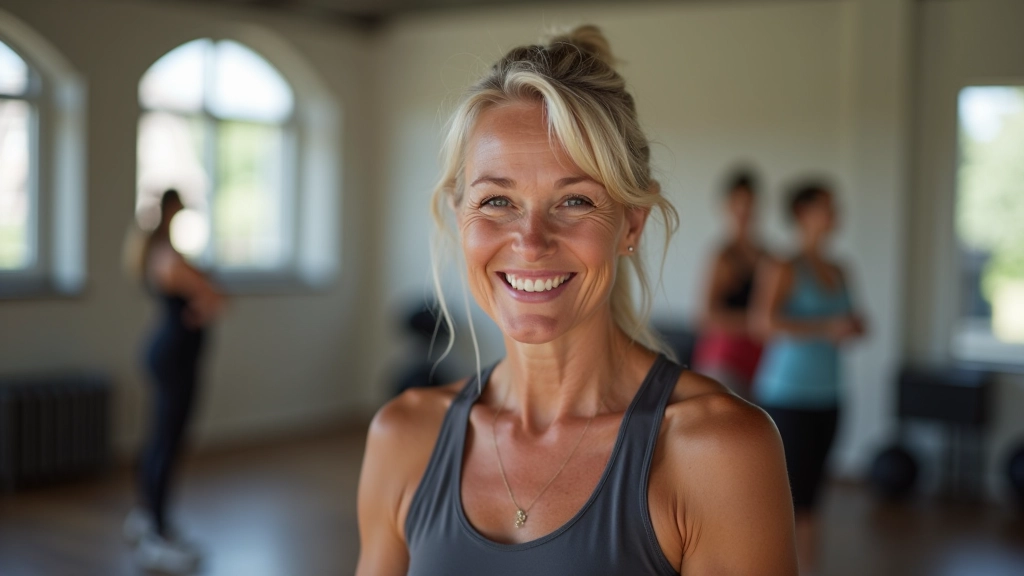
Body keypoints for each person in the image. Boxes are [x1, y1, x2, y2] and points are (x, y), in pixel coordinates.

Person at [357, 26, 797, 576]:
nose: (530, 242)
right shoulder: (404, 437)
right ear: (458, 214)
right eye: (496, 200)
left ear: (631, 224)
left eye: (574, 201)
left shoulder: (718, 451)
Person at [750, 182, 866, 576]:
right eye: (827, 207)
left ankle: (810, 568)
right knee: (787, 497)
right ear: (802, 213)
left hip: (830, 393)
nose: (836, 214)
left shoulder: (840, 269)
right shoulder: (783, 266)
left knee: (814, 495)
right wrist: (825, 327)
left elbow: (851, 320)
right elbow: (762, 323)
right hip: (787, 394)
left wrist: (853, 327)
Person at [123, 189, 224, 575]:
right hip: (175, 359)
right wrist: (208, 294)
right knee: (167, 441)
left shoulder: (159, 251)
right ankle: (158, 534)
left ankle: (148, 515)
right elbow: (215, 295)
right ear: (170, 209)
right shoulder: (168, 255)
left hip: (169, 355)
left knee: (160, 438)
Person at [692, 168, 767, 398]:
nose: (744, 210)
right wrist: (754, 323)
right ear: (728, 207)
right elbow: (705, 317)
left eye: (749, 203)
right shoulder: (722, 257)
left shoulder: (768, 257)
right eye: (738, 203)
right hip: (724, 360)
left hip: (761, 362)